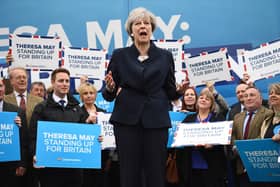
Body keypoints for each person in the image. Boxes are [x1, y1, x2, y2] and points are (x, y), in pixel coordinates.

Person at [102, 7, 188, 187]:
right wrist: (110, 88)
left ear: (152, 28)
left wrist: (180, 91)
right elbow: (108, 95)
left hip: (156, 121)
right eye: (138, 23)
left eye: (146, 23)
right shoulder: (120, 55)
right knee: (129, 171)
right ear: (131, 31)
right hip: (126, 121)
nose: (143, 26)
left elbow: (170, 91)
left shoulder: (165, 56)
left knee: (155, 171)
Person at [29, 68, 99, 187]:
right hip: (51, 168)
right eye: (61, 81)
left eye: (67, 81)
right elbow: (33, 135)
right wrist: (34, 154)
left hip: (74, 168)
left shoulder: (77, 108)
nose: (65, 84)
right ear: (52, 82)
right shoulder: (42, 108)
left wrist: (96, 136)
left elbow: (84, 133)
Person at [176, 89, 227, 187]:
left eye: (207, 99)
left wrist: (213, 144)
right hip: (191, 167)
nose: (203, 100)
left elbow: (223, 140)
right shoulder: (188, 119)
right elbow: (180, 139)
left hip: (212, 166)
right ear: (198, 101)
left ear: (212, 104)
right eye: (201, 98)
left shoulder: (218, 118)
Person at [4, 67, 43, 187]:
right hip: (13, 155)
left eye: (24, 77)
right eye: (18, 77)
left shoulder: (39, 101)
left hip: (34, 153)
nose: (22, 80)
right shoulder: (4, 100)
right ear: (11, 81)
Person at [231, 86, 273, 187]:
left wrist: (245, 149)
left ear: (260, 99)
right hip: (241, 166)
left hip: (261, 166)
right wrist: (234, 147)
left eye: (252, 95)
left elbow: (265, 135)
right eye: (246, 96)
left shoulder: (269, 114)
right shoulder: (237, 116)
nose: (248, 98)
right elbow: (232, 135)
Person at [78, 82, 115, 187]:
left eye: (91, 93)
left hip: (101, 156)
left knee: (100, 182)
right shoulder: (77, 112)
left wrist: (109, 157)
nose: (89, 95)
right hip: (84, 156)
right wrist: (87, 121)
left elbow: (109, 134)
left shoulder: (103, 112)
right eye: (85, 93)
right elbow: (75, 133)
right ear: (81, 96)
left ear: (95, 95)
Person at [0, 78, 28, 187]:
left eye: (1, 86)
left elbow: (24, 140)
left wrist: (22, 163)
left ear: (4, 88)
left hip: (10, 166)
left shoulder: (16, 111)